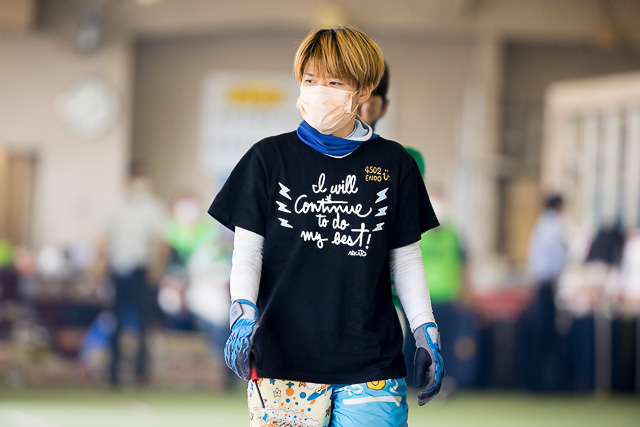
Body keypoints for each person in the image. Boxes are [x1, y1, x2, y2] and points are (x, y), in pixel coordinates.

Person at [209, 27, 444, 426]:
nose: (319, 91)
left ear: (364, 89)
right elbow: (247, 252)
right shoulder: (267, 159)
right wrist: (243, 313)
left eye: (334, 82)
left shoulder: (395, 164)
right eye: (310, 79)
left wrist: (426, 330)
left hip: (371, 362)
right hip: (283, 361)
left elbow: (405, 260)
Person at [92, 160, 169, 387]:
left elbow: (160, 242)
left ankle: (140, 373)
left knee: (143, 323)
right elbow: (103, 240)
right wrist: (98, 268)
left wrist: (157, 272)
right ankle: (113, 373)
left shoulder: (153, 207)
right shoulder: (114, 206)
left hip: (141, 271)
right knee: (114, 322)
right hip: (117, 270)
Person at [525, 193, 567, 391]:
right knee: (547, 335)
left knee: (540, 334)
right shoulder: (554, 226)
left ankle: (536, 381)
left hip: (539, 284)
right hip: (547, 286)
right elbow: (558, 258)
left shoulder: (541, 225)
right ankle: (546, 383)